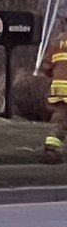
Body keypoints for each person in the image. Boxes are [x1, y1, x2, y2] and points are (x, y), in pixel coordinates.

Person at [40, 27, 67, 163]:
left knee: (60, 120)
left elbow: (45, 67)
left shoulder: (56, 42)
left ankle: (51, 150)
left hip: (59, 88)